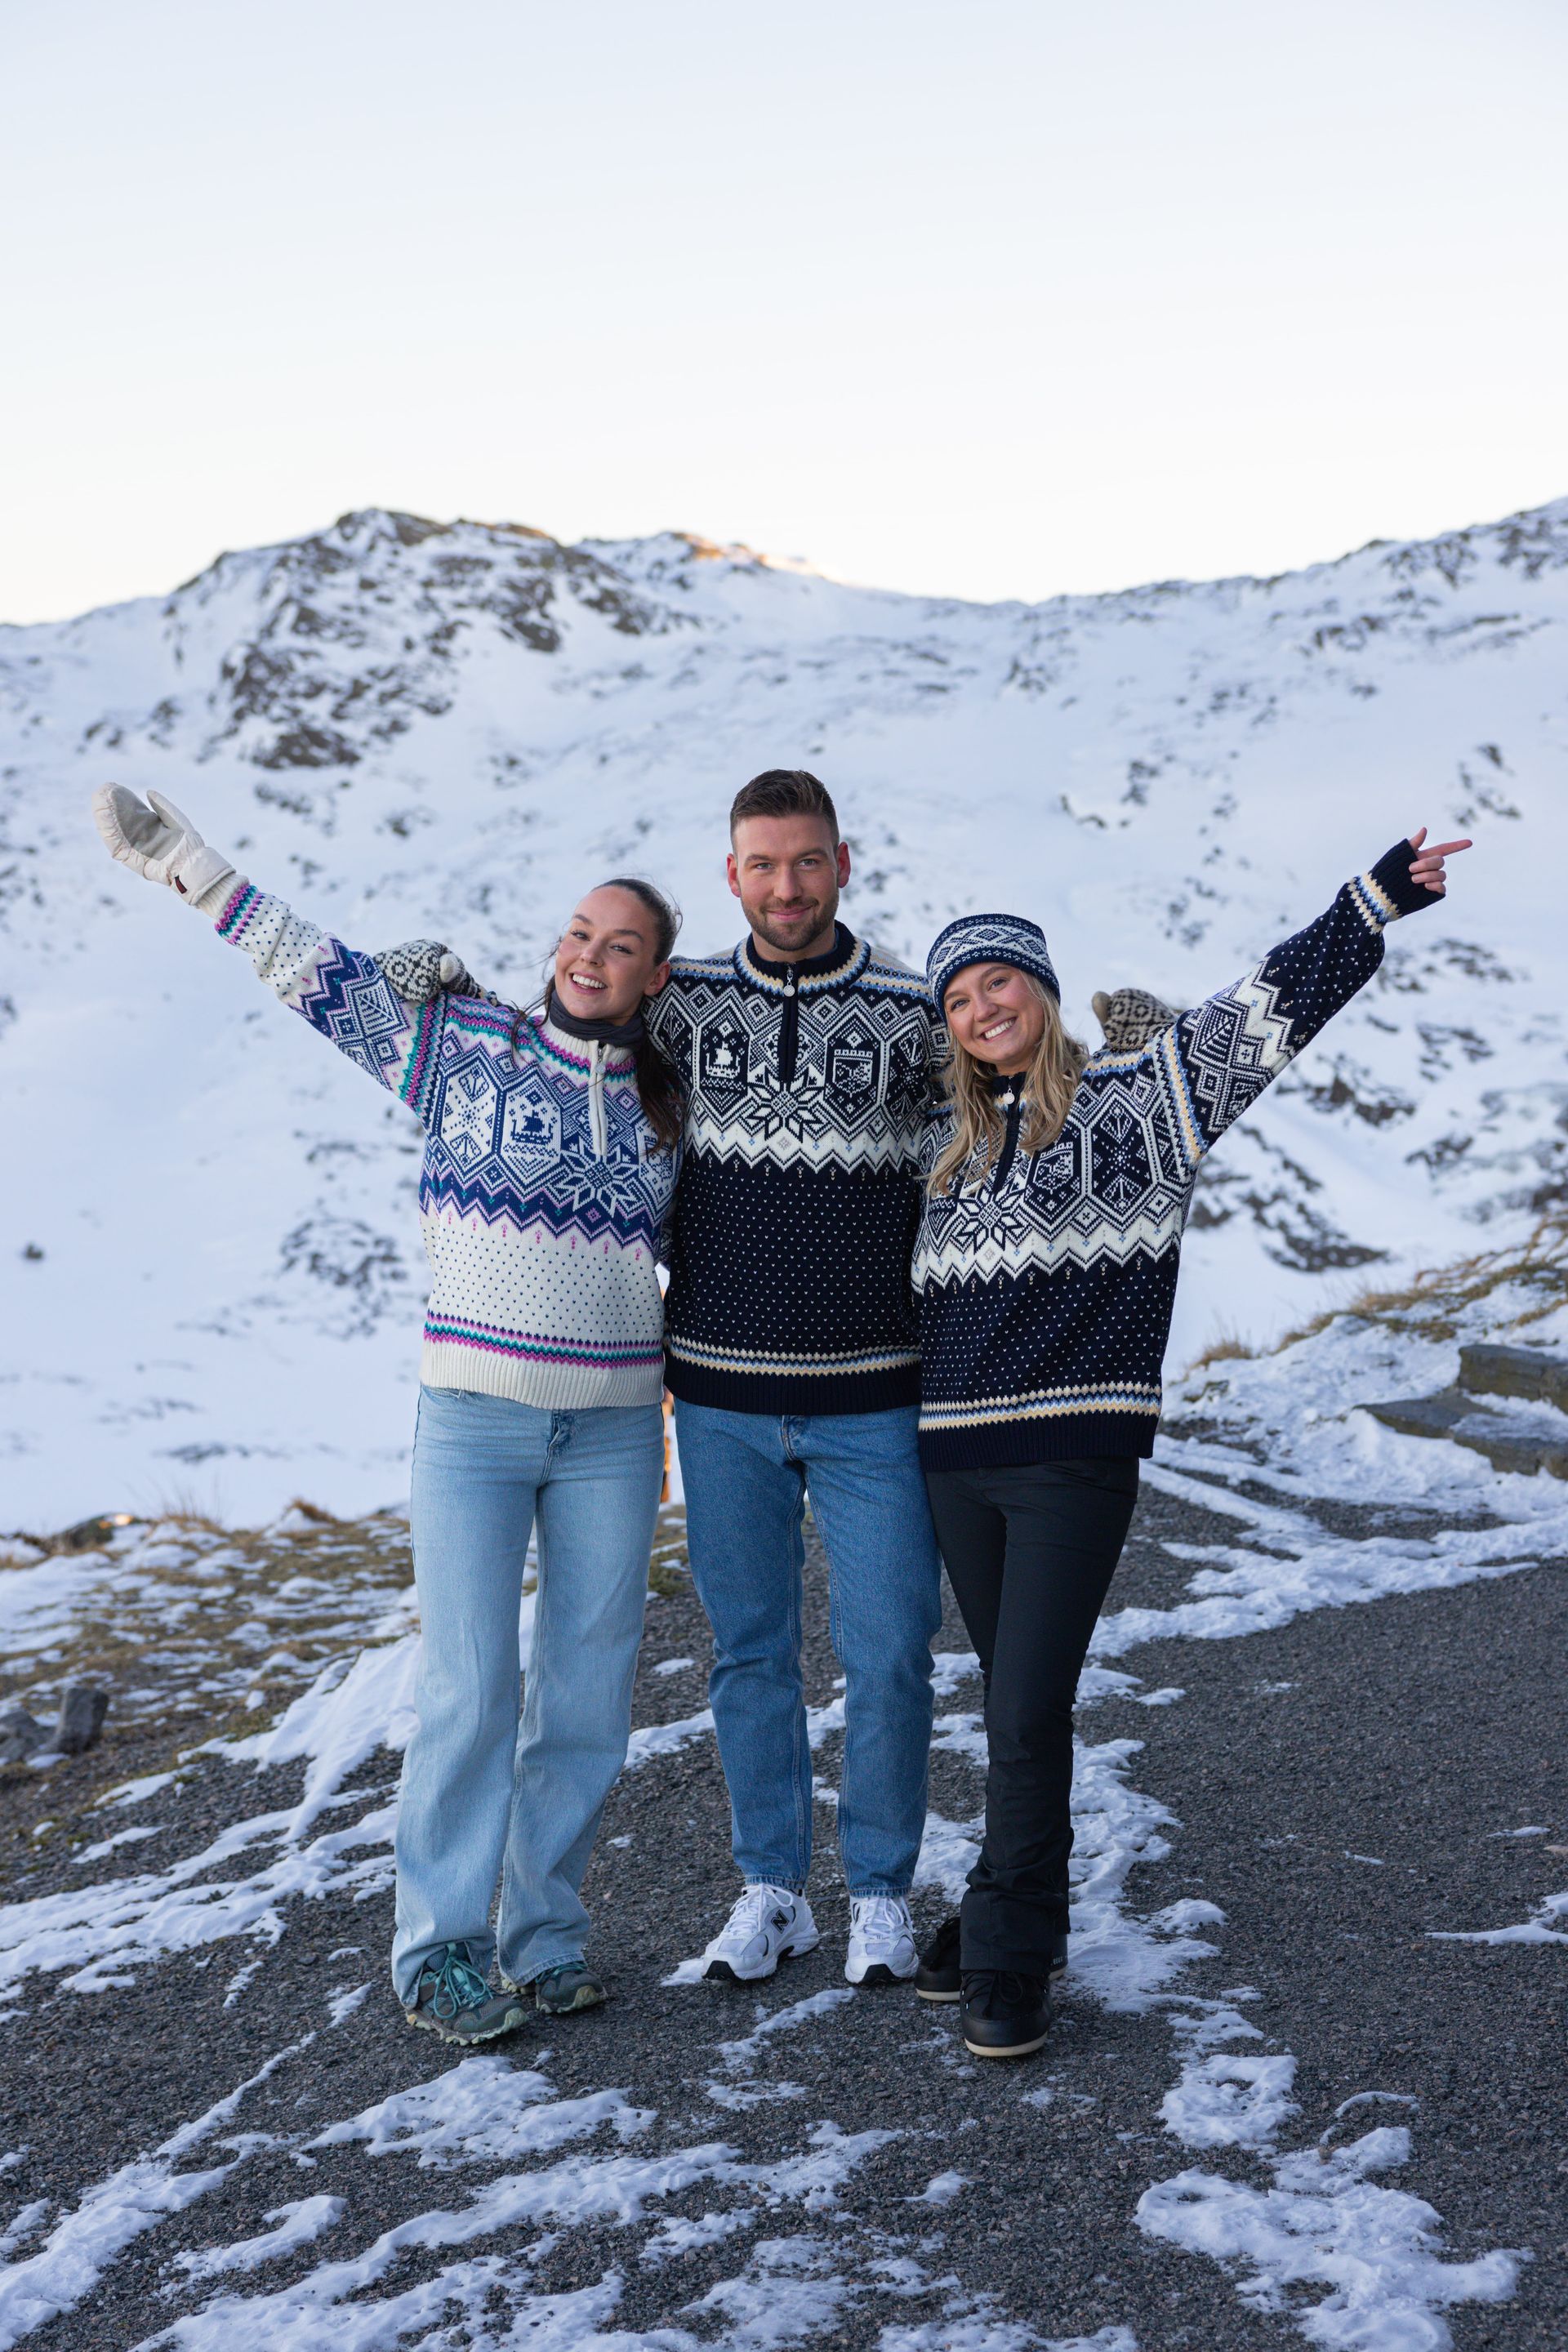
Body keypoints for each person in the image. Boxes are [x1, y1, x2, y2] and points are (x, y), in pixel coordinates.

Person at [90, 785, 683, 2044]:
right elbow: (314, 975)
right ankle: (440, 1952)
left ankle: (546, 1937)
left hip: (619, 1431)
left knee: (584, 1692)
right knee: (472, 1687)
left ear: (654, 973)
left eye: (619, 943)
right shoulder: (458, 1041)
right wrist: (188, 865)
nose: (589, 954)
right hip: (474, 1418)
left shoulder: (673, 1107)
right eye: (579, 931)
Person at [909, 829, 1472, 2058]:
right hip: (954, 1463)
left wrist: (1368, 901)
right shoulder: (945, 1160)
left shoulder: (1143, 1106)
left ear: (1041, 989)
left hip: (1071, 1461)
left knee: (1022, 1708)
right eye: (956, 998)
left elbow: (1269, 1012)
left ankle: (1009, 1951)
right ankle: (1016, 1904)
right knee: (1014, 1706)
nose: (979, 1007)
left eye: (997, 981)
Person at [647, 770, 945, 1986]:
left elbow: (1002, 1130)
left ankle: (878, 1890)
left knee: (889, 1655)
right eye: (762, 865)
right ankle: (772, 1890)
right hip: (716, 1398)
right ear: (731, 875)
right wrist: (441, 990)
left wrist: (1125, 1057)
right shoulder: (682, 1005)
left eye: (806, 861)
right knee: (751, 1656)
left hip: (877, 1394)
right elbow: (558, 1035)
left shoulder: (911, 1009)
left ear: (843, 863)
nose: (786, 885)